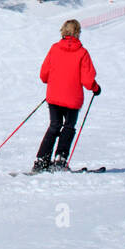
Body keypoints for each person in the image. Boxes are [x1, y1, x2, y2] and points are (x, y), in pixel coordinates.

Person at [33, 18, 100, 173]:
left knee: (54, 126)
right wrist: (95, 89)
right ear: (77, 33)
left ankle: (41, 160)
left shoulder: (55, 48)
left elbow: (44, 75)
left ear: (63, 30)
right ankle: (60, 159)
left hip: (54, 96)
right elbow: (87, 80)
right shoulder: (82, 53)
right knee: (68, 127)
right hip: (73, 98)